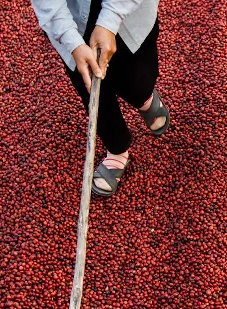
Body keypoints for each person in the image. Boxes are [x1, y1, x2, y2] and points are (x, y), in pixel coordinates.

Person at [32, 0, 170, 198]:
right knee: (92, 88)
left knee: (137, 76)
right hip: (75, 22)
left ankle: (144, 97)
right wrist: (72, 41)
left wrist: (109, 22)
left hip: (129, 12)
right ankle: (117, 147)